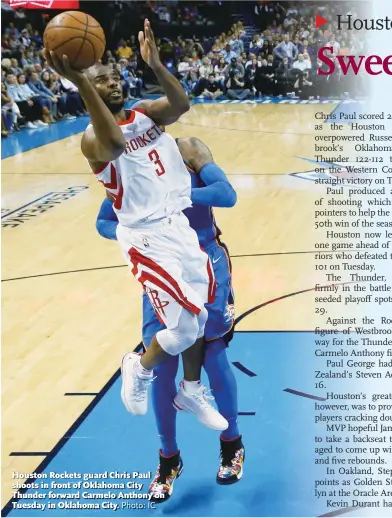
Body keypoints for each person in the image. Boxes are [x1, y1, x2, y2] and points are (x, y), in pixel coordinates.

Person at [43, 19, 227, 432]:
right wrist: (80, 83)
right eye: (102, 79)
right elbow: (114, 144)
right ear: (89, 89)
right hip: (145, 238)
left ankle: (191, 389)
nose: (114, 83)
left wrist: (157, 65)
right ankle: (138, 368)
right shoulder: (93, 139)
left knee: (196, 324)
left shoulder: (146, 113)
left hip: (177, 226)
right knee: (183, 326)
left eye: (116, 76)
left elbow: (180, 105)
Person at [96, 134, 244, 502]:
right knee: (163, 368)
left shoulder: (188, 148)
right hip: (161, 264)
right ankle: (168, 459)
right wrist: (133, 233)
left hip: (206, 260)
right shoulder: (132, 166)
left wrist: (179, 197)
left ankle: (232, 443)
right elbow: (103, 221)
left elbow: (227, 195)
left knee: (213, 356)